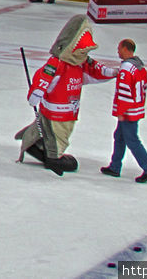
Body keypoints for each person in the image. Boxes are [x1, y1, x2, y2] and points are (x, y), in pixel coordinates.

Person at [15, 15, 117, 176]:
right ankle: (53, 158)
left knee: (55, 133)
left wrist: (114, 72)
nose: (84, 55)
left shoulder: (80, 63)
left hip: (69, 111)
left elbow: (96, 71)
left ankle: (37, 145)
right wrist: (37, 92)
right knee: (58, 136)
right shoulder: (58, 63)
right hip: (56, 111)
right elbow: (43, 77)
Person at [100, 39, 147, 183]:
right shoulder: (138, 66)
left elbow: (124, 91)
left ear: (126, 49)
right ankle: (114, 166)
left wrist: (121, 112)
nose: (118, 51)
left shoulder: (126, 68)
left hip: (128, 112)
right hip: (135, 108)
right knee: (119, 136)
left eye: (119, 48)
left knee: (132, 140)